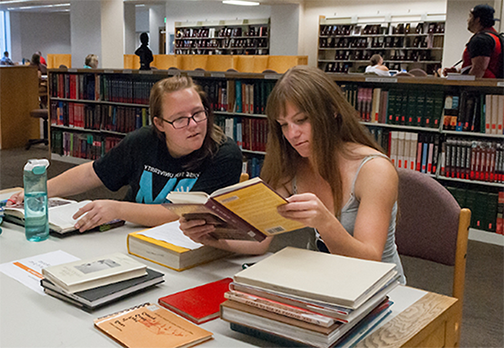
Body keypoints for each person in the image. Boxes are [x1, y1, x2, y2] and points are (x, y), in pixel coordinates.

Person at [180, 66, 406, 284]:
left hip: (379, 290)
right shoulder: (293, 164)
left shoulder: (373, 170)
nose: (292, 134)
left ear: (332, 111)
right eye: (283, 125)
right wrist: (208, 236)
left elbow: (370, 261)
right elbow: (260, 240)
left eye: (301, 120)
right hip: (326, 282)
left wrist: (326, 223)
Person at [8, 75, 243, 232]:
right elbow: (93, 174)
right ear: (159, 124)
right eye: (180, 119)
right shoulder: (143, 141)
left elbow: (187, 214)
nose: (193, 125)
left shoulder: (223, 154)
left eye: (198, 113)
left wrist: (117, 208)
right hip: (128, 234)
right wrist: (38, 190)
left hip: (183, 244)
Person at [443, 4, 502, 78]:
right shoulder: (495, 37)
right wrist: (459, 72)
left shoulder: (480, 40)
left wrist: (464, 87)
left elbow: (478, 70)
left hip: (483, 87)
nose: (468, 20)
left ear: (477, 19)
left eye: (470, 16)